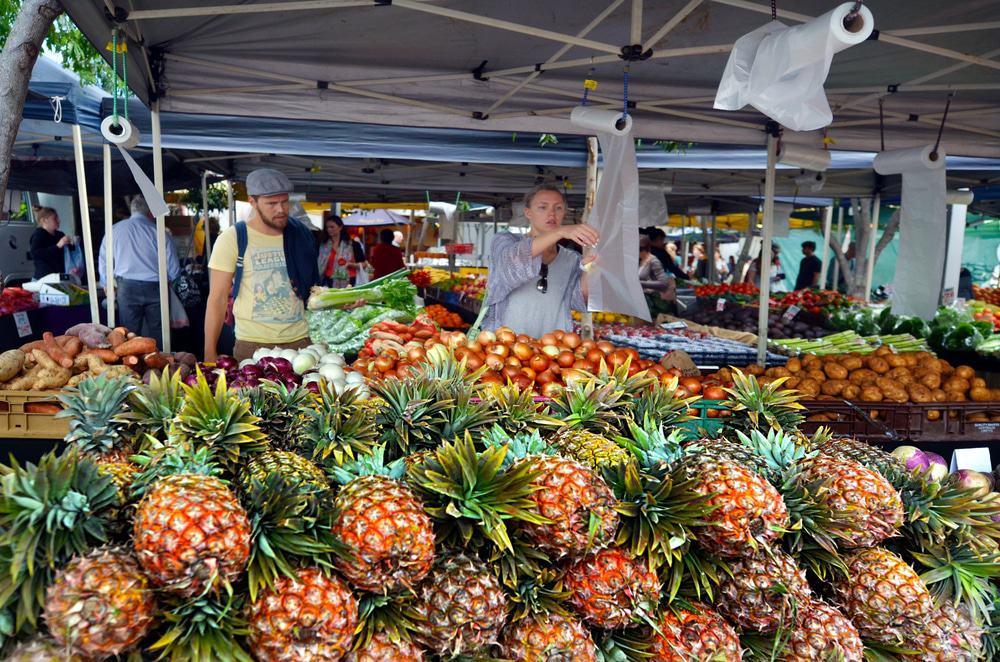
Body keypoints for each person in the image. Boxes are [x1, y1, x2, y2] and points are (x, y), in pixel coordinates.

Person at [204, 168, 319, 362]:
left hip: (300, 343)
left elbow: (314, 289)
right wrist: (209, 351)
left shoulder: (301, 234)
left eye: (284, 201)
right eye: (272, 204)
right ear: (252, 202)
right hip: (251, 345)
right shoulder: (233, 238)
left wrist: (342, 301)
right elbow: (217, 299)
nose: (281, 209)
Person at [483, 184, 598, 337]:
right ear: (528, 213)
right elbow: (510, 265)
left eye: (558, 208)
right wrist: (560, 231)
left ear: (564, 212)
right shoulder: (504, 241)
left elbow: (579, 300)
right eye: (543, 207)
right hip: (504, 346)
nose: (551, 214)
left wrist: (590, 268)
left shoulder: (571, 258)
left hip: (552, 350)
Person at [98, 196, 181, 348]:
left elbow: (104, 261)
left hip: (127, 287)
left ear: (132, 209)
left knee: (129, 333)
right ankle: (161, 365)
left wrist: (107, 283)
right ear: (150, 211)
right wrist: (169, 278)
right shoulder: (159, 232)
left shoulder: (114, 230)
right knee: (159, 333)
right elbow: (174, 269)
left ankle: (132, 367)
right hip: (157, 287)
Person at [317, 214, 366, 286]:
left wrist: (350, 264)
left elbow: (364, 264)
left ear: (340, 227)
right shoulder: (322, 245)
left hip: (349, 281)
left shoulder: (353, 245)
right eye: (327, 227)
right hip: (328, 280)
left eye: (332, 227)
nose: (329, 229)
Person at [29, 207, 74, 278]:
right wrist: (57, 246)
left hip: (61, 276)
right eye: (55, 218)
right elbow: (35, 254)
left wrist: (73, 243)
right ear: (44, 220)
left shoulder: (60, 234)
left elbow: (67, 252)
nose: (59, 220)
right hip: (44, 278)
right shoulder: (39, 235)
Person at [638, 235, 676, 317]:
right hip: (642, 301)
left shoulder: (653, 261)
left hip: (653, 303)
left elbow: (663, 283)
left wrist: (639, 283)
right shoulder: (640, 261)